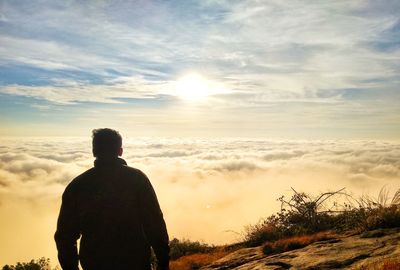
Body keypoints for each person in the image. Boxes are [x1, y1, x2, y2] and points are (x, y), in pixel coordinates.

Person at [55, 128, 170, 270]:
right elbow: (154, 222)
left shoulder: (77, 186)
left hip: (94, 263)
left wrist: (70, 268)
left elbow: (65, 236)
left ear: (94, 151)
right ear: (120, 151)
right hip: (135, 261)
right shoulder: (137, 179)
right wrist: (163, 260)